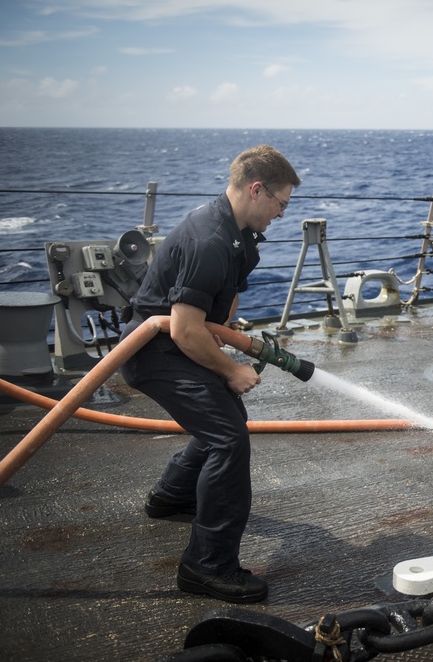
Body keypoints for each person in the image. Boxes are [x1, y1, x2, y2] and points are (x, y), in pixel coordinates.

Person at [120, 144, 300, 603]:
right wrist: (231, 370)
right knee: (228, 437)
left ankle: (172, 496)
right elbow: (182, 330)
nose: (282, 213)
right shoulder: (210, 240)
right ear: (256, 190)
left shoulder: (237, 231)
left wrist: (225, 329)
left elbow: (228, 292)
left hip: (179, 343)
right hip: (155, 351)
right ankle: (207, 566)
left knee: (224, 421)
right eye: (281, 203)